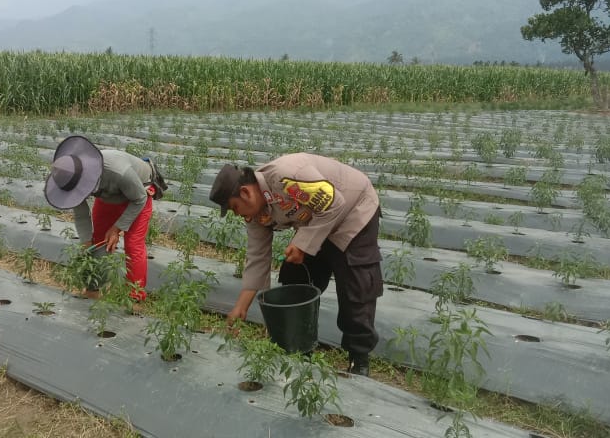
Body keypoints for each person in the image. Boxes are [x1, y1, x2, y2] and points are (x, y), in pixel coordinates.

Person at [209, 154, 383, 376]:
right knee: (295, 275)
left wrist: (302, 244)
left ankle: (359, 358)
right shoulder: (256, 213)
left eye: (234, 208)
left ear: (245, 193)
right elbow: (257, 256)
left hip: (354, 212)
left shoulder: (287, 177)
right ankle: (300, 348)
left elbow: (334, 203)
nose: (237, 214)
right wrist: (241, 307)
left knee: (355, 285)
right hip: (317, 221)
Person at [45, 135, 167, 301]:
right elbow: (81, 215)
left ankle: (134, 295)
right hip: (109, 196)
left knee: (133, 243)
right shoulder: (71, 181)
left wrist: (117, 228)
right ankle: (94, 288)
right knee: (98, 240)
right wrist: (86, 243)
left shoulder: (118, 171)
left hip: (139, 194)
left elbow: (139, 198)